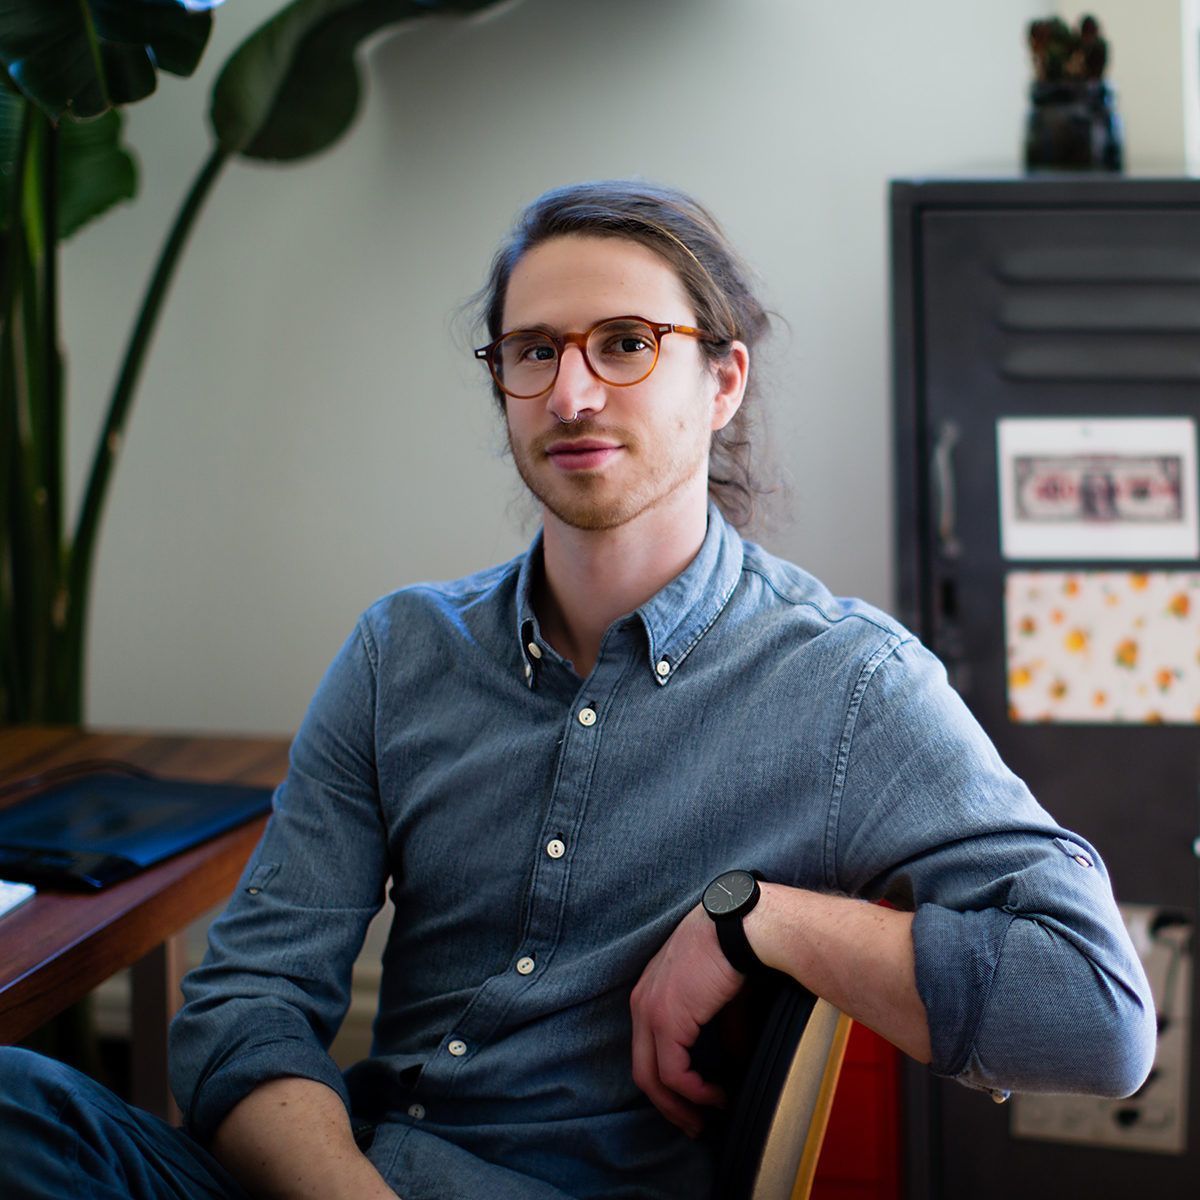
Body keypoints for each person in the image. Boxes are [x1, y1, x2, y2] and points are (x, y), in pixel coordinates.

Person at [0, 180, 1155, 1199]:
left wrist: (767, 919)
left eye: (626, 344)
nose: (572, 392)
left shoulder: (849, 685)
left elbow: (1098, 1016)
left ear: (723, 380)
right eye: (534, 350)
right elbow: (247, 1003)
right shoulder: (401, 652)